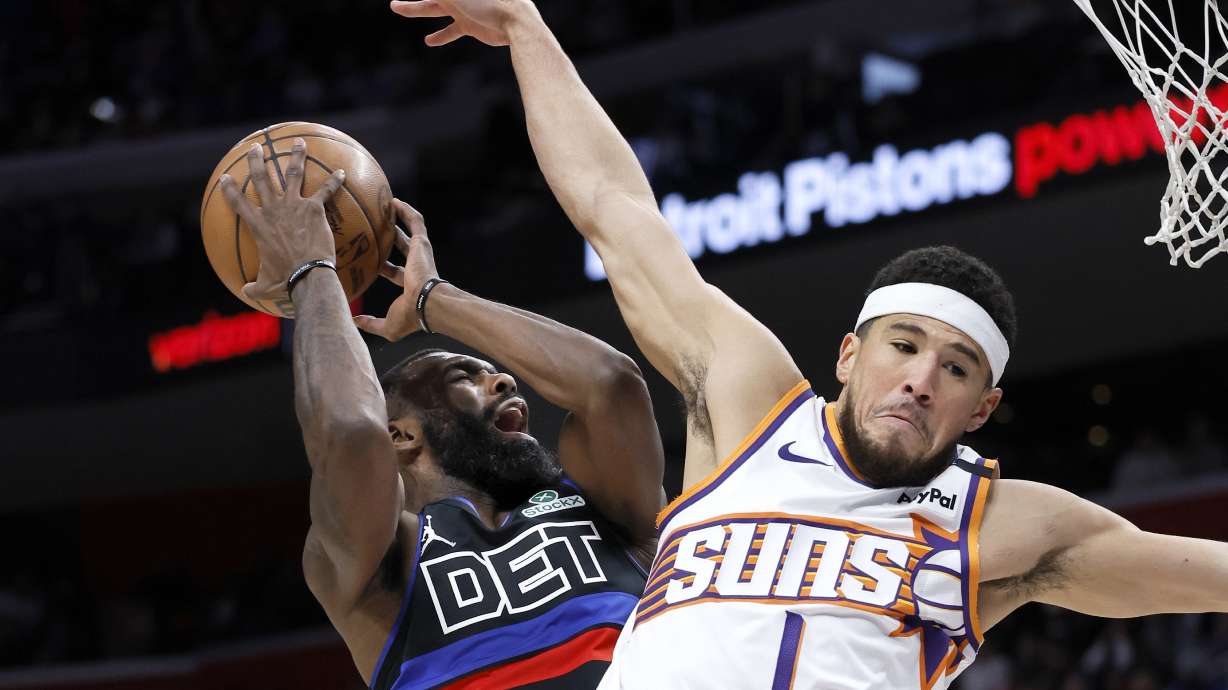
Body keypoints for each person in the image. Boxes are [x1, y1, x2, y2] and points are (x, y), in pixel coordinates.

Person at [388, 1, 1228, 687]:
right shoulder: (753, 406)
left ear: (983, 409)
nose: (922, 378)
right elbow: (617, 211)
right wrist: (529, 32)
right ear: (849, 356)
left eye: (956, 368)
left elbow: (1196, 573)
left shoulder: (1000, 526)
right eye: (903, 345)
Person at [218, 139, 665, 689]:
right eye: (464, 376)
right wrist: (311, 272)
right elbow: (352, 433)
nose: (504, 378)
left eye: (491, 372)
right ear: (401, 435)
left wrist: (433, 298)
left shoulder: (602, 509)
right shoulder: (384, 559)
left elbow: (612, 383)